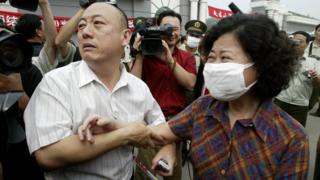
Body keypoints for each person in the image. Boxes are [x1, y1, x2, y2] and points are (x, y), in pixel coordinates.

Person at [24, 3, 174, 179]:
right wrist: (125, 135)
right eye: (81, 26)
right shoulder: (56, 83)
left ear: (125, 36)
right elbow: (47, 155)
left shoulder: (138, 87)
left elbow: (164, 131)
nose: (85, 32)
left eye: (98, 23)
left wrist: (168, 151)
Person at [151, 14, 309, 178]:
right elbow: (162, 133)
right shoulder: (203, 106)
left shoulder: (292, 137)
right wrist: (165, 143)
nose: (214, 66)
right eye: (211, 57)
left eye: (225, 58)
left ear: (261, 66)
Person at [130, 9, 196, 180]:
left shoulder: (187, 57)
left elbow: (190, 83)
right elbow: (133, 85)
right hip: (151, 123)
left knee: (172, 173)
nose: (172, 33)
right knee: (146, 174)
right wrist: (138, 56)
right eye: (167, 27)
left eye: (175, 28)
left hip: (176, 123)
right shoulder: (146, 55)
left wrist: (170, 61)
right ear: (158, 28)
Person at [0, 27, 44, 179]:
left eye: (10, 46)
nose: (6, 53)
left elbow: (41, 118)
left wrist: (18, 91)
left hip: (24, 152)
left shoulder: (30, 71)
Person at [274, 31, 320, 127]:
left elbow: (318, 84)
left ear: (307, 44)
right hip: (281, 100)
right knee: (274, 129)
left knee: (296, 134)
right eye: (295, 40)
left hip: (300, 104)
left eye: (301, 41)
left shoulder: (313, 62)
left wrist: (315, 77)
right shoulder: (282, 58)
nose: (297, 44)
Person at [14, 0, 60, 75]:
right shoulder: (42, 56)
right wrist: (44, 4)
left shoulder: (12, 55)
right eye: (44, 26)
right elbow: (52, 43)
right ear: (38, 31)